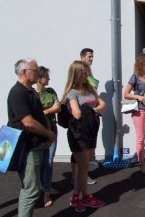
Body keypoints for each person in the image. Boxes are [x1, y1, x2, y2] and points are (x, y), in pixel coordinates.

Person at [7, 58, 56, 217]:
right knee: (31, 190)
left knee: (32, 189)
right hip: (28, 148)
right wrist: (49, 134)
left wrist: (48, 135)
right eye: (34, 71)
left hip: (37, 145)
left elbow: (40, 115)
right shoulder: (18, 93)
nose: (37, 73)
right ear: (24, 72)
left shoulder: (31, 91)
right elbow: (28, 122)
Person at [61, 61, 106, 213]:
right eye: (84, 72)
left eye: (87, 71)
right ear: (76, 74)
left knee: (83, 168)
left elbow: (103, 105)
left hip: (90, 132)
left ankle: (79, 196)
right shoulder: (72, 93)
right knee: (84, 167)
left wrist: (91, 110)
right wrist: (94, 110)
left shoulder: (90, 89)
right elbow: (77, 113)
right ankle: (81, 196)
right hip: (78, 134)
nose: (87, 74)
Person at [70, 48, 98, 186]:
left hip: (91, 117)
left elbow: (93, 92)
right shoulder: (79, 71)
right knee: (78, 150)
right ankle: (76, 176)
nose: (91, 59)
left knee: (88, 148)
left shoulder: (90, 73)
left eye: (92, 57)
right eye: (89, 57)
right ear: (82, 57)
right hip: (80, 123)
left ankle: (82, 175)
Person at [35, 66, 61, 207]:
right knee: (40, 161)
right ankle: (40, 188)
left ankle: (46, 189)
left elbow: (59, 108)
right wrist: (51, 110)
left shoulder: (51, 92)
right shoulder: (33, 94)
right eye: (46, 76)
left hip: (53, 128)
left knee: (49, 160)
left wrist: (45, 111)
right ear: (39, 78)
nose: (49, 78)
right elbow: (35, 114)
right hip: (39, 131)